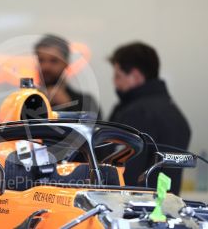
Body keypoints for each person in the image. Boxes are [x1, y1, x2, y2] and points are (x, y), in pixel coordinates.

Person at [108, 42, 191, 194]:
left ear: (136, 76)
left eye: (118, 76)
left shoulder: (136, 113)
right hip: (165, 208)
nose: (115, 82)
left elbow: (120, 175)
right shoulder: (175, 114)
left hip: (132, 211)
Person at [34, 34, 100, 117]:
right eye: (41, 60)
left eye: (54, 61)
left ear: (66, 64)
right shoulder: (23, 102)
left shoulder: (86, 102)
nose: (46, 67)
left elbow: (93, 128)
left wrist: (69, 106)